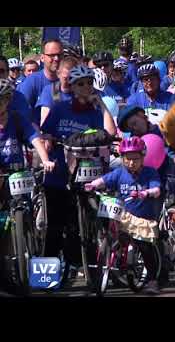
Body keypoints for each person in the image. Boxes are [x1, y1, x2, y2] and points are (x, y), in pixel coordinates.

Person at [41, 65, 116, 266]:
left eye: (89, 83)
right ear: (72, 87)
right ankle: (48, 274)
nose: (86, 87)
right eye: (80, 84)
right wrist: (49, 141)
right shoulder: (59, 108)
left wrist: (100, 102)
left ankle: (86, 265)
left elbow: (110, 133)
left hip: (86, 175)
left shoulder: (94, 111)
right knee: (56, 227)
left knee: (80, 224)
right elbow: (45, 133)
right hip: (59, 174)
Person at [84, 137, 163, 295]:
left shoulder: (150, 173)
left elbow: (157, 190)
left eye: (136, 159)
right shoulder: (119, 173)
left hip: (142, 219)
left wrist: (145, 193)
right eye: (128, 159)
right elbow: (104, 180)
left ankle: (152, 279)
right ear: (122, 159)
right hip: (123, 215)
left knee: (145, 247)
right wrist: (93, 184)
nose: (132, 163)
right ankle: (111, 264)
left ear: (143, 157)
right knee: (114, 236)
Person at [0, 79, 54, 173]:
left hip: (17, 172)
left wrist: (46, 160)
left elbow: (34, 138)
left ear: (7, 100)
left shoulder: (17, 118)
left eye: (1, 100)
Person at [17, 38, 63, 125]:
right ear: (42, 58)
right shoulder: (31, 81)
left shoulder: (69, 80)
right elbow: (22, 113)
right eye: (52, 55)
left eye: (59, 55)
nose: (56, 58)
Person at [36, 56, 79, 126]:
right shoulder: (52, 90)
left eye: (72, 78)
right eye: (65, 78)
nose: (69, 81)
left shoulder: (81, 91)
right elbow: (44, 120)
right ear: (58, 74)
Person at [0, 56, 32, 121]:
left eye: (1, 71)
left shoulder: (19, 98)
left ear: (7, 72)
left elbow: (27, 125)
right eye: (13, 69)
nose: (15, 72)